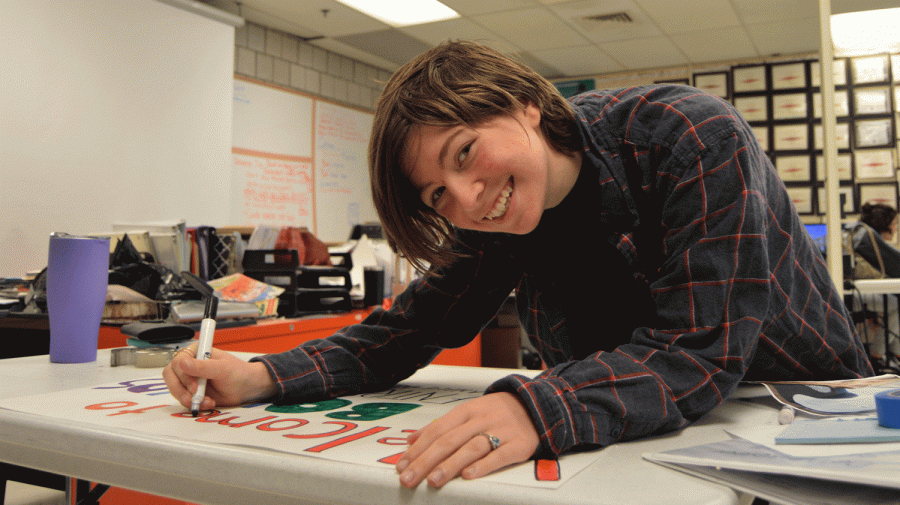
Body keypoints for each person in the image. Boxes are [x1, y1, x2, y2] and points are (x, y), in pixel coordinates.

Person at [164, 40, 873, 489]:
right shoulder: (501, 220)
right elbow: (405, 330)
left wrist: (536, 403)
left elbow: (698, 348)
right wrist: (259, 374)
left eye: (466, 152)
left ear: (526, 104)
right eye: (439, 193)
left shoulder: (691, 136)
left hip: (808, 428)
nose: (470, 198)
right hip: (650, 446)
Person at [849, 201, 900, 368]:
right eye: (893, 224)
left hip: (854, 292)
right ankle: (877, 356)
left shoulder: (862, 233)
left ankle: (892, 354)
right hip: (851, 295)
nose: (895, 229)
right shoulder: (867, 237)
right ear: (883, 224)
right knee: (894, 305)